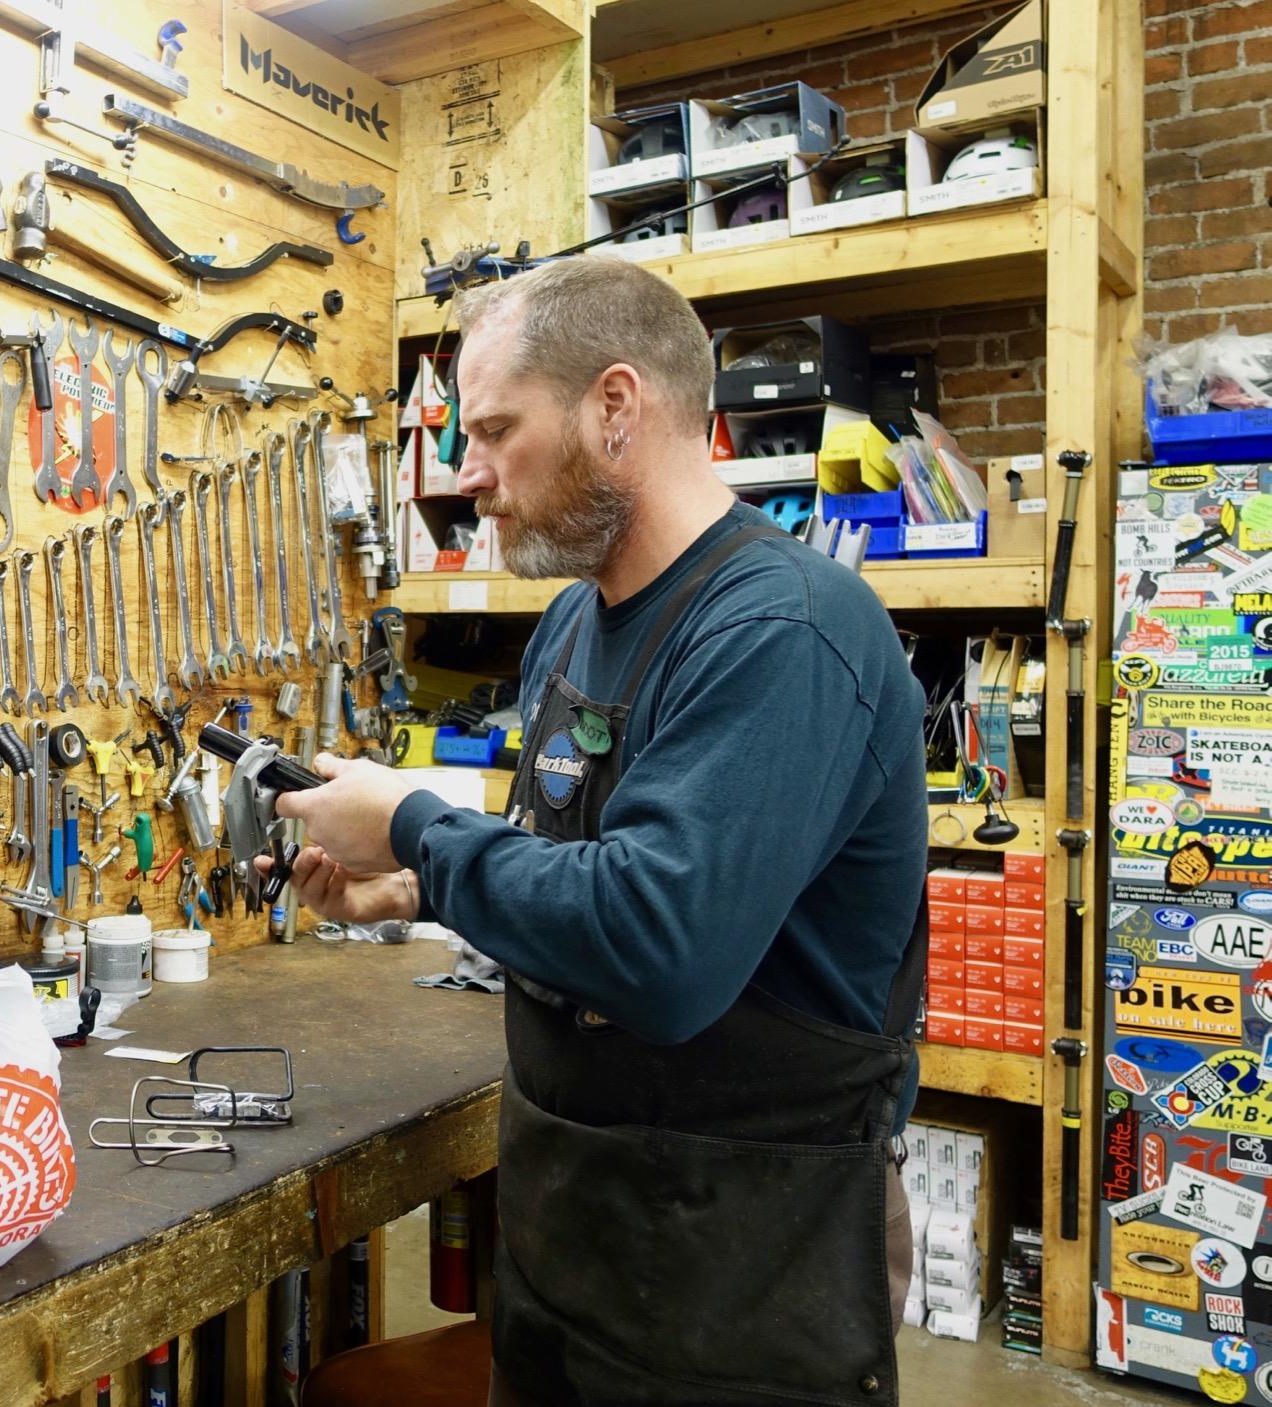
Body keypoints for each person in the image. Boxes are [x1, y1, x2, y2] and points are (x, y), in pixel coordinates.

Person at [268, 257, 928, 1406]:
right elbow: (578, 872)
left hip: (743, 1253)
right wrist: (422, 894)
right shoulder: (573, 624)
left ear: (613, 407)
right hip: (570, 1213)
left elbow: (662, 954)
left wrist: (418, 827)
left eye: (492, 429)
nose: (465, 473)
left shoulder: (786, 628)